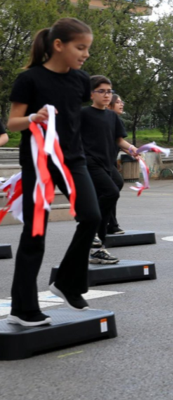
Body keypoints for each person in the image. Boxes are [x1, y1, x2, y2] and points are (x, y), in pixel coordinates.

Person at [7, 18, 102, 326]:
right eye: (80, 47)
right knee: (35, 232)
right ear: (58, 45)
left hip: (73, 159)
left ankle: (66, 282)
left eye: (88, 48)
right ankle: (23, 308)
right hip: (38, 161)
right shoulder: (30, 79)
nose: (85, 53)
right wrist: (34, 116)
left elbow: (76, 118)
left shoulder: (80, 80)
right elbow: (13, 123)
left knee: (92, 217)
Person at [81, 75, 139, 263]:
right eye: (101, 91)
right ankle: (92, 228)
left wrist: (131, 148)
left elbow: (119, 140)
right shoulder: (83, 114)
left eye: (109, 91)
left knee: (110, 192)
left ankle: (98, 247)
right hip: (90, 163)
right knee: (112, 192)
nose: (106, 95)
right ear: (91, 94)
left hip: (107, 164)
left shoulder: (112, 117)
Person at [105, 93, 125, 234]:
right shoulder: (104, 119)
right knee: (113, 189)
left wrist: (134, 150)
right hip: (100, 163)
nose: (121, 104)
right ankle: (110, 223)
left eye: (121, 101)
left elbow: (119, 141)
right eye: (117, 102)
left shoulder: (116, 120)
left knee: (112, 191)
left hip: (110, 162)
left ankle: (111, 223)